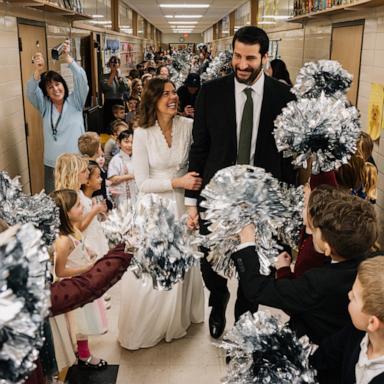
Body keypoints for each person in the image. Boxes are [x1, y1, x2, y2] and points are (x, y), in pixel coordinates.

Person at [186, 25, 296, 339]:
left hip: (262, 201)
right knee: (210, 263)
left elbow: (288, 160)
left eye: (250, 58)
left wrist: (286, 209)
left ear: (265, 57)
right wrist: (192, 202)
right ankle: (218, 299)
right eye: (237, 56)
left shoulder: (284, 97)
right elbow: (200, 147)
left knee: (256, 266)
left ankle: (244, 322)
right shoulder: (211, 92)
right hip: (216, 199)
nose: (242, 64)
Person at [117, 78, 204, 350]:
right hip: (155, 209)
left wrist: (192, 204)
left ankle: (179, 317)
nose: (172, 97)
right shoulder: (142, 133)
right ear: (152, 100)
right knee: (158, 266)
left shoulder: (188, 126)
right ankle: (151, 322)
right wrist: (177, 183)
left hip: (182, 205)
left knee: (183, 262)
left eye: (173, 92)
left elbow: (196, 165)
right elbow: (142, 183)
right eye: (165, 94)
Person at [232, 189, 378, 344]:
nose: (312, 233)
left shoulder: (319, 282)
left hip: (315, 348)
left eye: (315, 231)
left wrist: (247, 243)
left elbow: (256, 289)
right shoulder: (368, 261)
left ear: (327, 248)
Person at [49, 189, 108, 370]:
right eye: (77, 205)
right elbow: (59, 270)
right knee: (78, 324)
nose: (82, 206)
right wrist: (86, 268)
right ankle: (83, 356)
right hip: (73, 285)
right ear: (66, 213)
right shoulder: (63, 241)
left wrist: (88, 252)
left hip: (82, 282)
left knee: (84, 322)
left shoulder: (74, 229)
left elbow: (79, 247)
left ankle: (82, 353)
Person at [311, 255, 384, 384]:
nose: (349, 295)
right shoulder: (356, 331)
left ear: (372, 322)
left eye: (355, 297)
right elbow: (325, 355)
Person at [27, 40, 88, 193]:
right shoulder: (45, 106)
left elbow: (82, 80)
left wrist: (68, 60)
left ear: (63, 85)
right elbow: (30, 91)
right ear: (46, 92)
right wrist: (37, 71)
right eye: (50, 87)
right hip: (52, 164)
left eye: (58, 84)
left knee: (75, 203)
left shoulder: (76, 101)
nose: (55, 89)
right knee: (54, 204)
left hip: (75, 163)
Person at [79, 162, 109, 259]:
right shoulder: (81, 201)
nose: (101, 179)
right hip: (90, 244)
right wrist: (95, 210)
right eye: (98, 177)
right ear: (87, 182)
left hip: (97, 240)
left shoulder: (90, 199)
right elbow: (80, 227)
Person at [100, 56, 130, 133]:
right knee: (109, 123)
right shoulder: (104, 76)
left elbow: (125, 89)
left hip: (120, 101)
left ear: (119, 64)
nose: (114, 64)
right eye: (112, 62)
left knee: (121, 122)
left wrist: (119, 78)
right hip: (109, 102)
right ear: (109, 64)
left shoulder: (122, 77)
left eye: (116, 62)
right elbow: (105, 88)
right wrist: (112, 74)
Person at [108, 129, 137, 207]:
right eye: (126, 142)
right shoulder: (116, 160)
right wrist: (131, 176)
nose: (130, 145)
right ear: (119, 143)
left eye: (132, 142)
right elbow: (112, 180)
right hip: (122, 200)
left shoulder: (137, 158)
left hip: (137, 199)